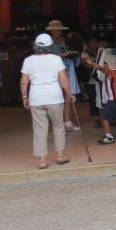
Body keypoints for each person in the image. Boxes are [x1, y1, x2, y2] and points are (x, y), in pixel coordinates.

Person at [20, 33, 74, 169]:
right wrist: (69, 93)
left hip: (36, 99)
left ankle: (43, 160)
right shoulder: (56, 59)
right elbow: (63, 79)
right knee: (58, 127)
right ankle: (61, 155)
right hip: (54, 98)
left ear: (36, 46)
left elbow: (24, 82)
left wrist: (25, 97)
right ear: (50, 46)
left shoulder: (28, 60)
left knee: (39, 129)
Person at [83, 47, 116, 144]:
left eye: (105, 63)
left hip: (113, 99)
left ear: (108, 65)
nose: (104, 65)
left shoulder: (111, 73)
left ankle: (108, 136)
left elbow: (101, 69)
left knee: (104, 117)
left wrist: (92, 63)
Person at [44, 20, 81, 133]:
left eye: (60, 29)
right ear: (51, 31)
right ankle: (59, 125)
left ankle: (67, 122)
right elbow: (46, 56)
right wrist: (64, 54)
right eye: (56, 30)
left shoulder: (62, 41)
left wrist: (71, 54)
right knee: (57, 98)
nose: (59, 32)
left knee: (68, 97)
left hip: (67, 70)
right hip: (54, 73)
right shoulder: (48, 43)